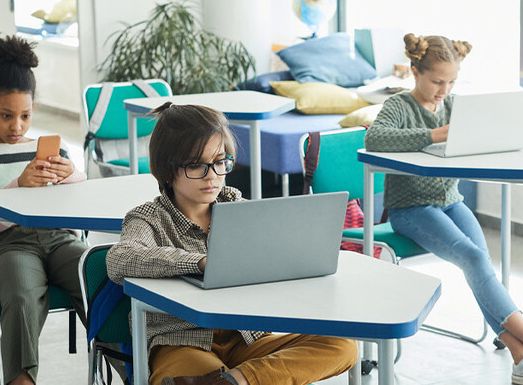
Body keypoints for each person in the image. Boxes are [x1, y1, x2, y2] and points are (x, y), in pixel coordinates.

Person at [364, 33, 523, 385]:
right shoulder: (400, 106)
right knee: (473, 258)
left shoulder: (453, 106)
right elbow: (375, 139)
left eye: (451, 82)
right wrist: (435, 135)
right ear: (414, 71)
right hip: (410, 209)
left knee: (480, 262)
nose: (443, 90)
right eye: (437, 81)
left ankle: (520, 357)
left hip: (452, 202)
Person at [106, 102, 358, 385]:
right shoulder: (149, 218)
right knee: (191, 374)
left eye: (219, 161)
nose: (212, 174)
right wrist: (198, 262)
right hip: (182, 341)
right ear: (167, 169)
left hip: (246, 337)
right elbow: (120, 259)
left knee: (342, 346)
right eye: (195, 165)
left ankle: (234, 381)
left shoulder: (239, 208)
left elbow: (277, 255)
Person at [0, 32, 87, 385]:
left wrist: (73, 175)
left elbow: (79, 202)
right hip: (9, 244)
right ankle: (20, 381)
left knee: (99, 275)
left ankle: (131, 367)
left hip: (57, 237)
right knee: (21, 295)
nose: (17, 126)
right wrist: (19, 184)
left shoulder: (50, 147)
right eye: (6, 115)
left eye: (25, 115)